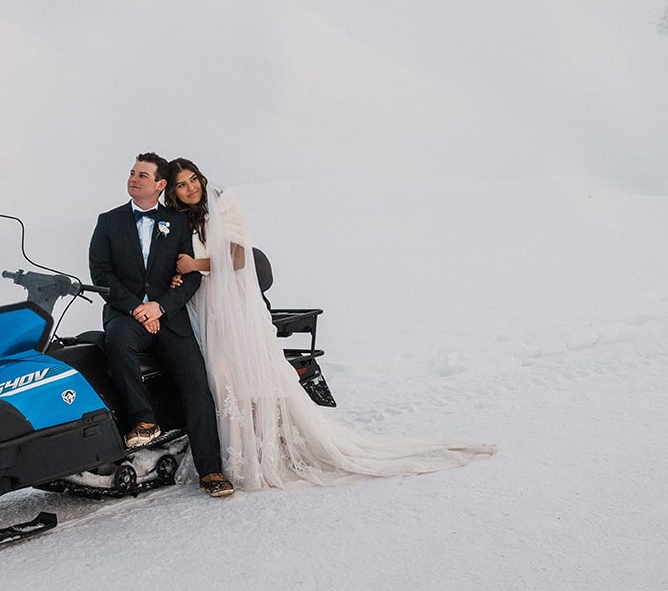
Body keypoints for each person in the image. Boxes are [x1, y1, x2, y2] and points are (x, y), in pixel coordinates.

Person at [164, 157, 496, 490]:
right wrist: (180, 275)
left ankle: (264, 452)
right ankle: (235, 453)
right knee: (220, 379)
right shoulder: (177, 220)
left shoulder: (224, 202)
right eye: (182, 184)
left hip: (233, 303)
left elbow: (239, 257)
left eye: (193, 179)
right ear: (174, 192)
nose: (191, 187)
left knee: (247, 375)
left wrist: (196, 264)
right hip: (203, 305)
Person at [88, 152, 234, 499]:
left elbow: (191, 277)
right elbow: (101, 275)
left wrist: (160, 308)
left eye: (142, 175)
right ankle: (144, 421)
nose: (134, 179)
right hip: (127, 316)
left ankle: (211, 470)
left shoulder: (177, 223)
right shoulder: (108, 222)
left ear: (159, 185)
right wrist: (138, 308)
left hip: (169, 316)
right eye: (132, 173)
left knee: (197, 385)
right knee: (118, 343)